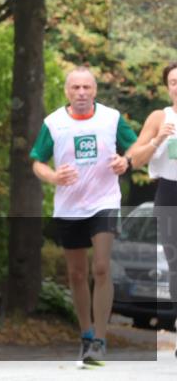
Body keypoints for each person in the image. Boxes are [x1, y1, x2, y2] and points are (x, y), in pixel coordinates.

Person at [30, 67, 137, 365]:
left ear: (95, 91)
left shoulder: (111, 118)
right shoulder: (53, 123)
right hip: (69, 206)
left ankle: (100, 341)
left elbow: (136, 147)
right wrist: (53, 176)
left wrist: (125, 160)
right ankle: (86, 335)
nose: (81, 93)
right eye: (75, 88)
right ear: (67, 91)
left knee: (101, 268)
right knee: (76, 274)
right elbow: (37, 161)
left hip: (104, 201)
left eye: (86, 88)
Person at [125, 60, 177, 355]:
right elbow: (135, 158)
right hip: (169, 191)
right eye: (173, 82)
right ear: (167, 87)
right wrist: (159, 139)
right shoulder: (160, 117)